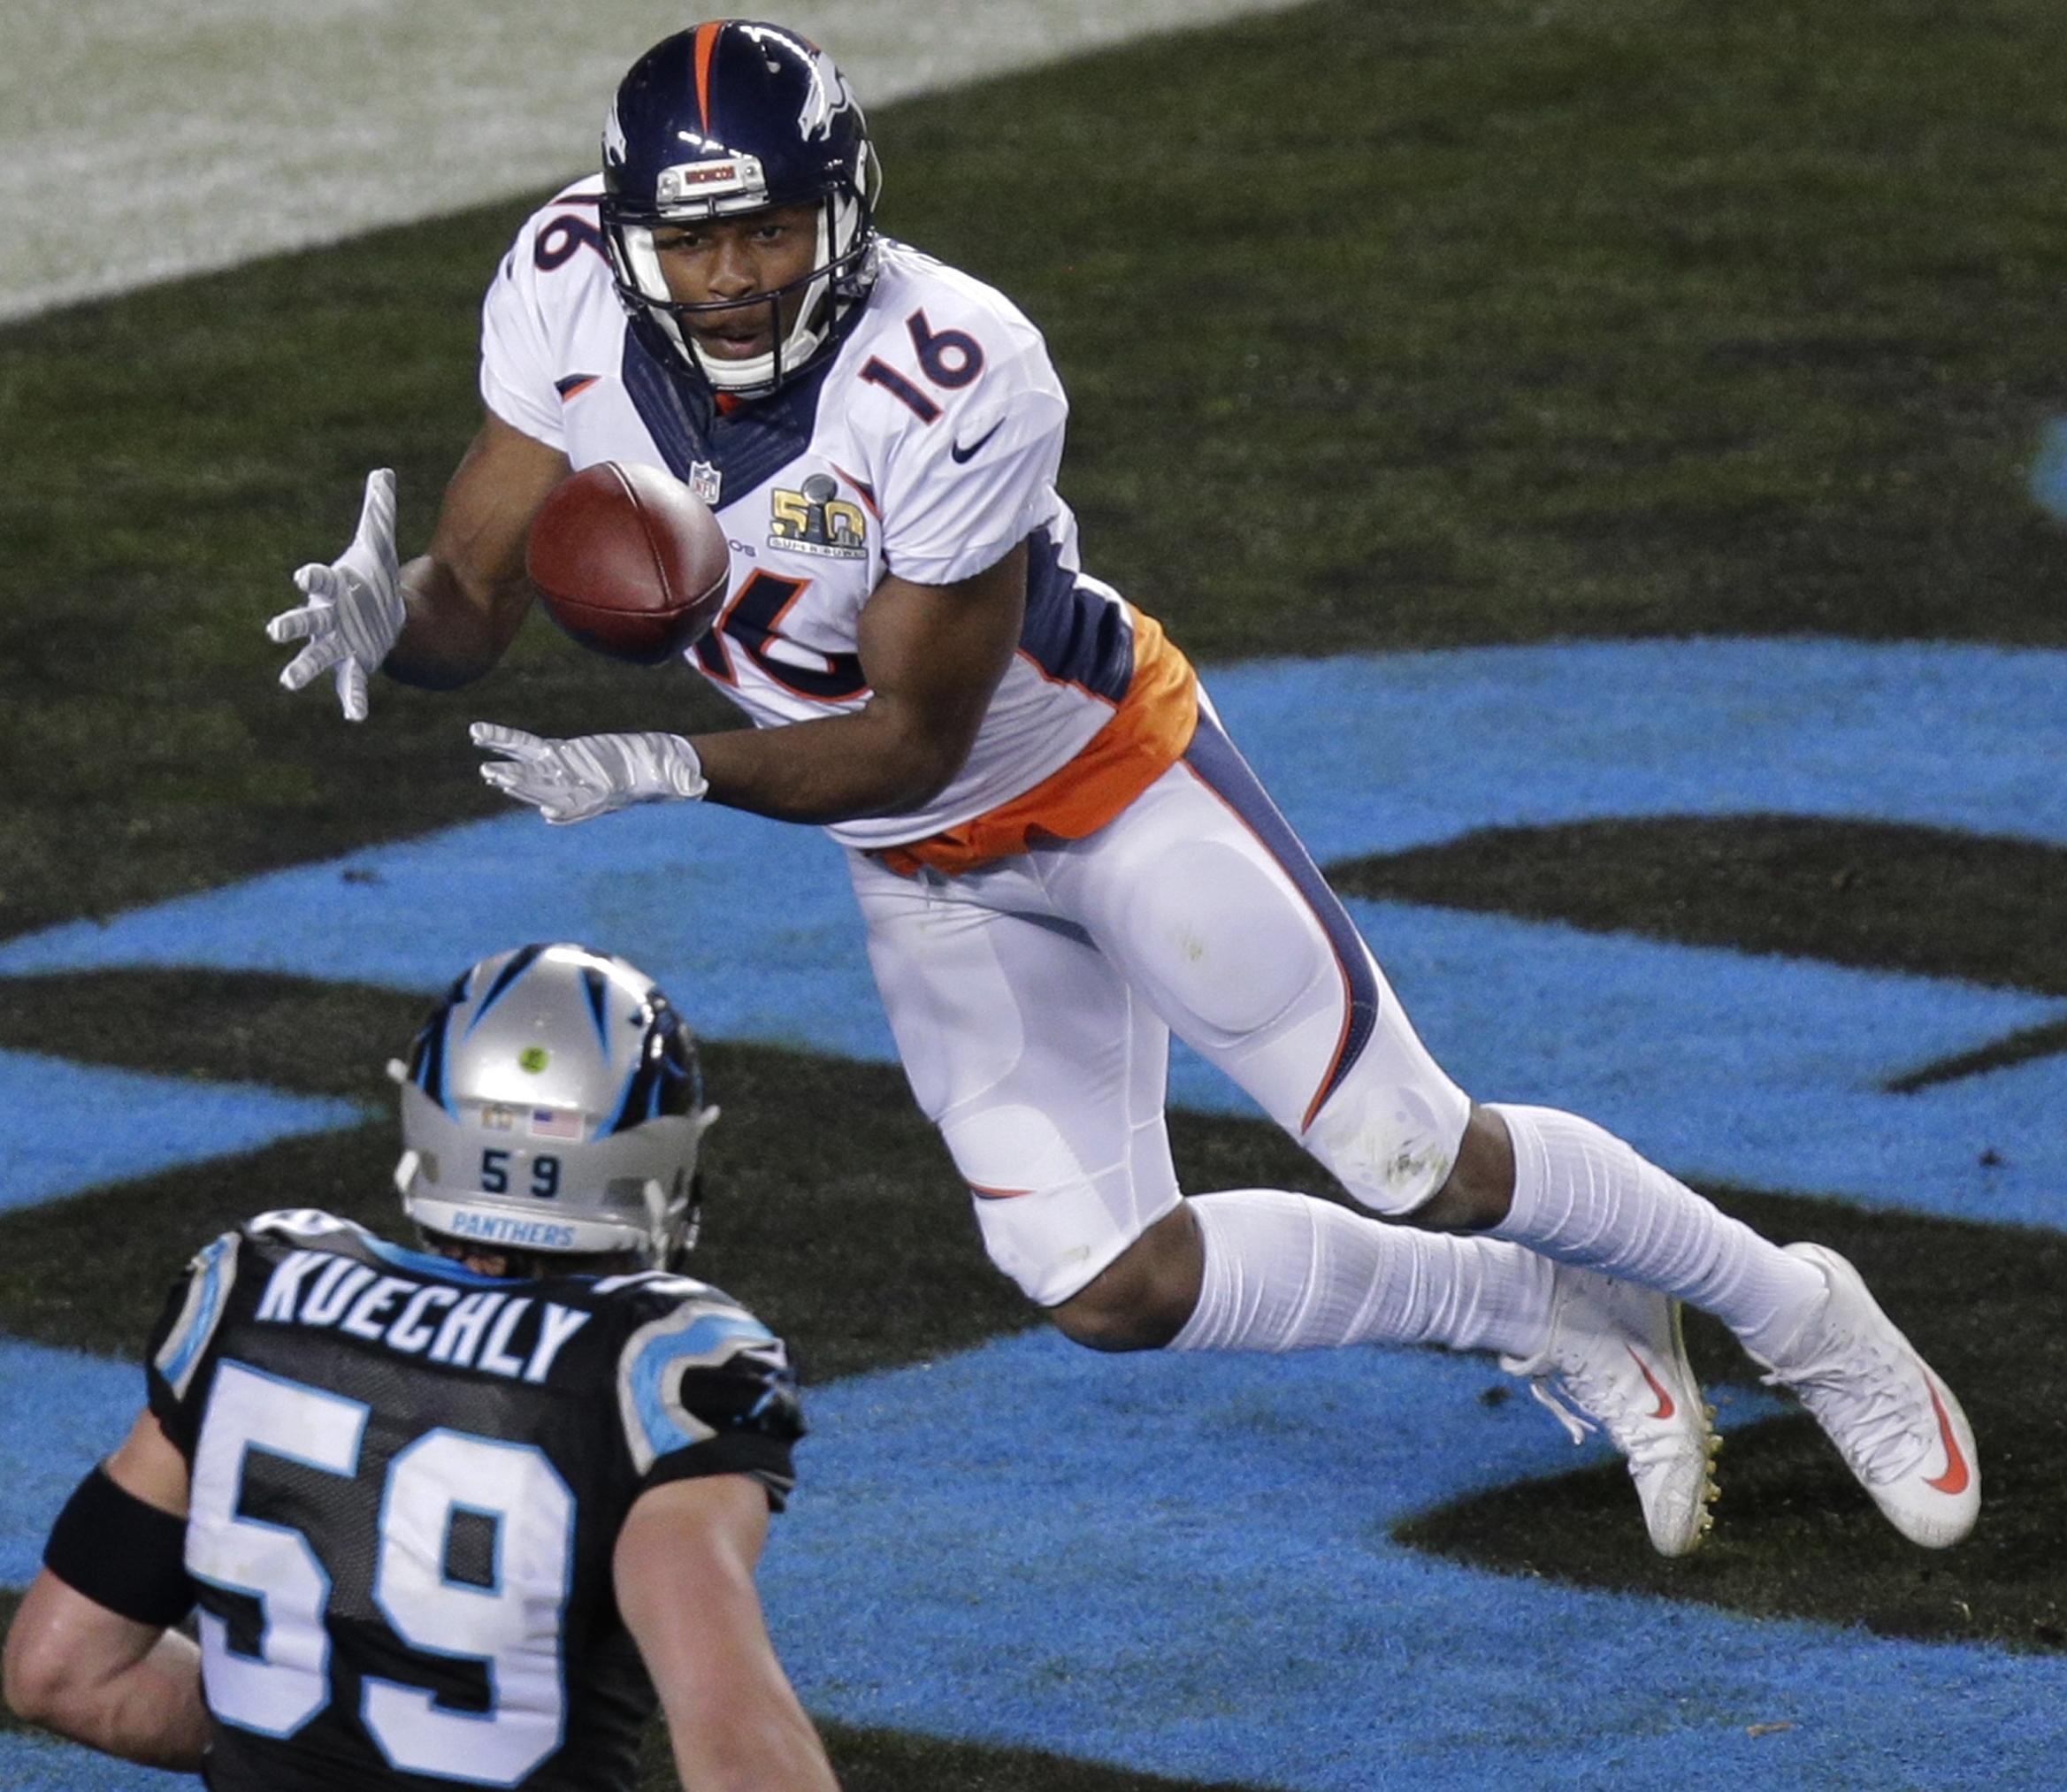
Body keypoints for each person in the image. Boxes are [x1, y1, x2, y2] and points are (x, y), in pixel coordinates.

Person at [262, 19, 1977, 1559]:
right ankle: (1539, 1316)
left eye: (767, 227)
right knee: (1106, 1285)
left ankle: (1806, 1316)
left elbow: (915, 735)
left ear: (841, 214)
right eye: (694, 235)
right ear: (623, 232)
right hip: (917, 863)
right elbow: (473, 601)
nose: (729, 272)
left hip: (1100, 778)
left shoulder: (951, 366)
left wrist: (675, 762)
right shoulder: (559, 281)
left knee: (1415, 1147)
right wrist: (394, 620)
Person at [2, 943, 840, 1792]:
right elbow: (740, 1759)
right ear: (654, 1152)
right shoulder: (658, 1367)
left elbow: (62, 1675)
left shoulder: (251, 1293)